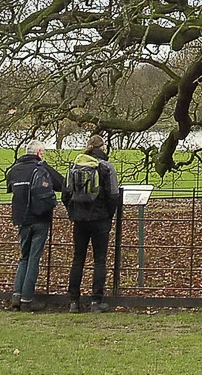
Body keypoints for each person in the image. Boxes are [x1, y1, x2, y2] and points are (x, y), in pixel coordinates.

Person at [62, 133, 122, 313]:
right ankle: (97, 301)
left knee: (78, 259)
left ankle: (73, 301)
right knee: (100, 260)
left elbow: (65, 194)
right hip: (100, 219)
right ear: (102, 147)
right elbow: (113, 195)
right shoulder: (106, 167)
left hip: (79, 219)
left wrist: (73, 212)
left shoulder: (74, 166)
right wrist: (108, 215)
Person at [4, 141, 65, 312]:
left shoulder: (14, 170)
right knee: (34, 258)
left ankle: (16, 295)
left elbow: (10, 189)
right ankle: (27, 299)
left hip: (22, 219)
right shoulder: (41, 167)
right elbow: (61, 183)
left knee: (24, 257)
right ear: (38, 152)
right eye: (43, 152)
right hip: (40, 218)